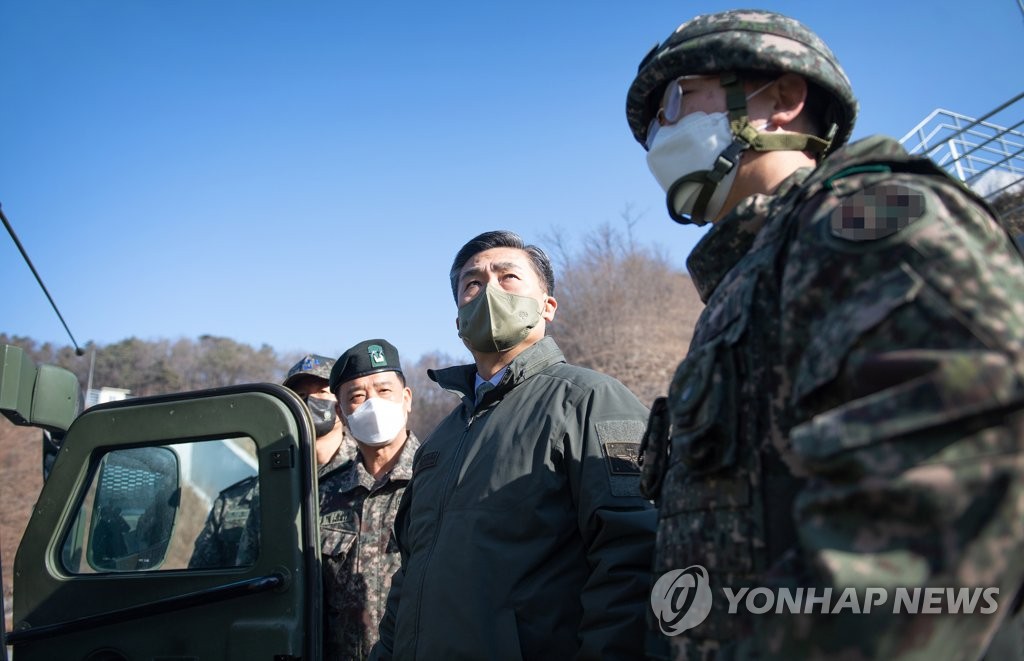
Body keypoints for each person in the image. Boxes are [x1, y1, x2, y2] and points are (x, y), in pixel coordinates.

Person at [626, 9, 1024, 660]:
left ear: (781, 98)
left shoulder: (867, 217)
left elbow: (949, 492)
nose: (658, 138)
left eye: (674, 101)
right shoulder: (749, 279)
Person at [372, 230, 657, 660]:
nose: (488, 291)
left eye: (508, 277)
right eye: (472, 284)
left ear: (548, 307)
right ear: (457, 321)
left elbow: (636, 558)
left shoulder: (590, 401)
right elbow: (411, 577)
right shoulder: (441, 439)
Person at [191, 354, 352, 569]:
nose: (310, 402)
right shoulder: (260, 493)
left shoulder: (367, 477)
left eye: (322, 392)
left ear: (342, 402)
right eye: (301, 395)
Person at [319, 338, 420, 660]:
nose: (372, 404)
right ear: (341, 412)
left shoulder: (444, 480)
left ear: (406, 398)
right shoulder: (320, 495)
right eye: (357, 396)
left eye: (384, 391)